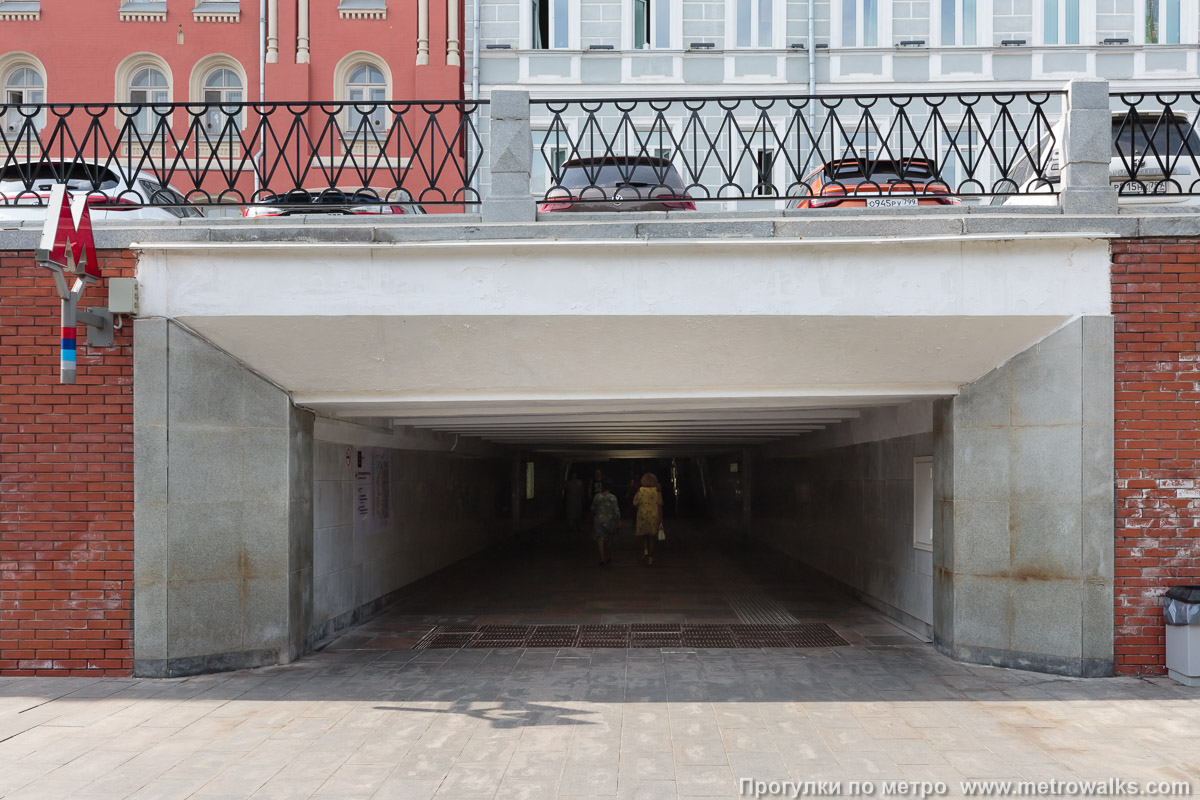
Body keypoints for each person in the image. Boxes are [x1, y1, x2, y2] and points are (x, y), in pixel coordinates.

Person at [632, 472, 663, 565]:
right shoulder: (657, 491)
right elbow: (659, 505)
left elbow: (635, 503)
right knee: (652, 538)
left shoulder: (640, 490)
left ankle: (645, 550)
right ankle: (651, 557)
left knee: (644, 535)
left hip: (642, 515)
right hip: (654, 516)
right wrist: (661, 519)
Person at [590, 483, 620, 565]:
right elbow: (616, 511)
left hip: (599, 520)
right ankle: (609, 556)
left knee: (600, 539)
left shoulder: (597, 497)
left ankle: (602, 558)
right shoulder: (612, 498)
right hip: (610, 521)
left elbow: (593, 508)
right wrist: (618, 521)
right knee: (609, 539)